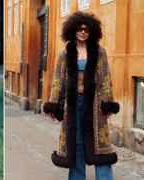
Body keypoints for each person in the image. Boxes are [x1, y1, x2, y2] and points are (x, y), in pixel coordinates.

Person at [44, 11, 120, 180]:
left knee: (101, 146)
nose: (83, 32)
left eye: (86, 29)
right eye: (80, 29)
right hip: (72, 105)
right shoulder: (65, 54)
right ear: (73, 30)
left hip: (94, 106)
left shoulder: (100, 52)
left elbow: (106, 79)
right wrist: (54, 105)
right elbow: (58, 81)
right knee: (76, 143)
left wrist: (108, 104)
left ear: (92, 31)